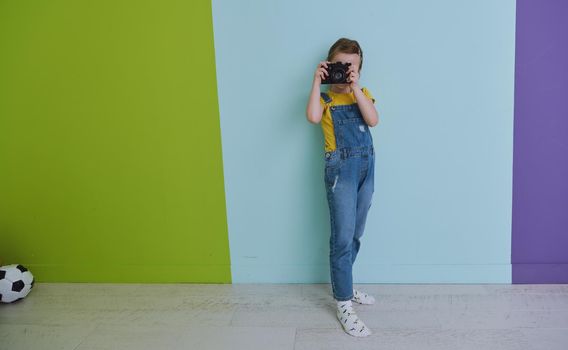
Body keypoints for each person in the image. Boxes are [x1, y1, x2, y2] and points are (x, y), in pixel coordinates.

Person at [305, 37, 379, 337]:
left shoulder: (363, 94)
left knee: (357, 232)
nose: (343, 73)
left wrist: (356, 87)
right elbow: (311, 117)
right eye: (339, 66)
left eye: (350, 67)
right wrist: (316, 81)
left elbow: (372, 120)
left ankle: (345, 284)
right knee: (342, 238)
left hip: (366, 169)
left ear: (358, 70)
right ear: (328, 66)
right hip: (340, 172)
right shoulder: (324, 100)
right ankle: (343, 303)